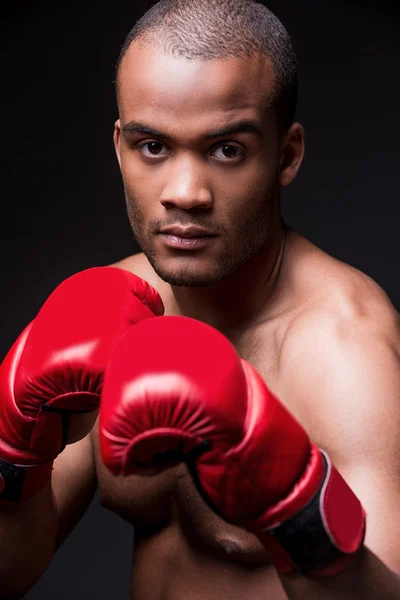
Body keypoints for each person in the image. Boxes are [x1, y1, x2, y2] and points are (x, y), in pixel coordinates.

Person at [1, 1, 400, 599]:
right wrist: (13, 457)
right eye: (153, 147)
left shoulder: (342, 348)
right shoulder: (104, 311)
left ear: (286, 155)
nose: (185, 194)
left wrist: (289, 498)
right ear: (119, 148)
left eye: (227, 150)